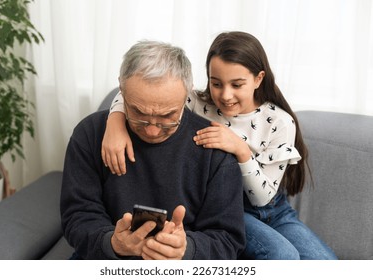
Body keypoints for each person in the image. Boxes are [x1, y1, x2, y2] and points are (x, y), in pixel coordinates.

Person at [101, 32, 337, 260]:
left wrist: (240, 149)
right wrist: (115, 123)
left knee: (325, 263)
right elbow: (139, 92)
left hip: (273, 208)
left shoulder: (280, 122)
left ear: (258, 79)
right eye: (216, 83)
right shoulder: (197, 103)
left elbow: (262, 199)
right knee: (283, 256)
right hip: (231, 209)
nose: (225, 95)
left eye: (237, 85)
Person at [60, 40, 246, 260]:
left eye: (167, 116)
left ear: (187, 93)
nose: (151, 131)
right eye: (138, 112)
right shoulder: (90, 134)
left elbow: (228, 239)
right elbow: (77, 216)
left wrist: (186, 250)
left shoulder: (215, 148)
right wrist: (112, 243)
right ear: (121, 88)